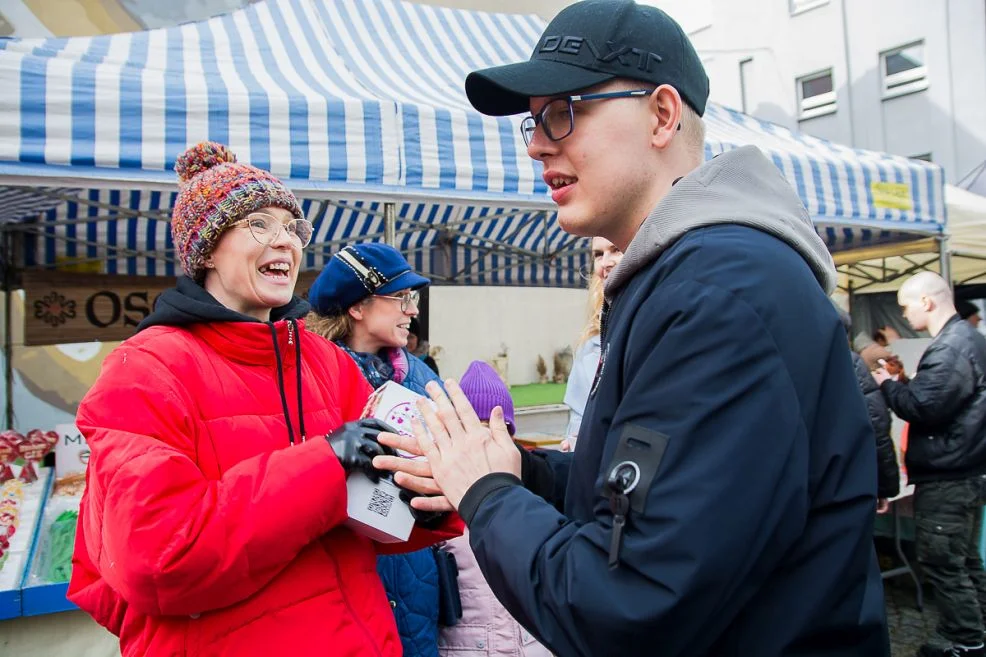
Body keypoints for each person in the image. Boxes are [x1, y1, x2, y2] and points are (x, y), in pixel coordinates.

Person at [375, 2, 890, 655]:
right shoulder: (690, 280)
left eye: (564, 109)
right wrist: (519, 472)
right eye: (533, 121)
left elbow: (629, 607)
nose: (536, 142)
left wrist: (489, 493)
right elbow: (632, 508)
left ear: (662, 113)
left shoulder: (719, 296)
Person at [67, 142, 460, 657]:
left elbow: (375, 508)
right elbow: (158, 557)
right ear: (206, 249)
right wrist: (327, 460)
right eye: (258, 224)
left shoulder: (326, 362)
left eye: (292, 228)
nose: (285, 241)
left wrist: (424, 499)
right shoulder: (143, 370)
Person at [306, 243, 447, 657]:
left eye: (413, 299)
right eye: (401, 298)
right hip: (340, 569)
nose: (413, 310)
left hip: (415, 569)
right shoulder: (308, 380)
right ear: (357, 307)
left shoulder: (422, 380)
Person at [874, 272, 986, 657]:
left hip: (949, 475)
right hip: (964, 470)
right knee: (965, 561)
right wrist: (904, 381)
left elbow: (925, 407)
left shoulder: (953, 345)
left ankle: (967, 641)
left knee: (944, 563)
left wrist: (888, 386)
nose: (903, 313)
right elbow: (936, 396)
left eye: (906, 304)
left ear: (927, 301)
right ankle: (977, 633)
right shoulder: (966, 341)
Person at [436, 360, 551, 657]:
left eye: (499, 430)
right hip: (465, 647)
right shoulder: (441, 501)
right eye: (477, 428)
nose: (486, 439)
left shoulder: (533, 502)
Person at [836, 307, 901, 512]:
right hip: (841, 483)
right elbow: (876, 425)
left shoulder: (778, 361)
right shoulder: (850, 363)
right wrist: (884, 486)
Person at [562, 236, 623, 450]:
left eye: (616, 249)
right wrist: (573, 444)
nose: (605, 262)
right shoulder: (590, 346)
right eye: (598, 254)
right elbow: (578, 418)